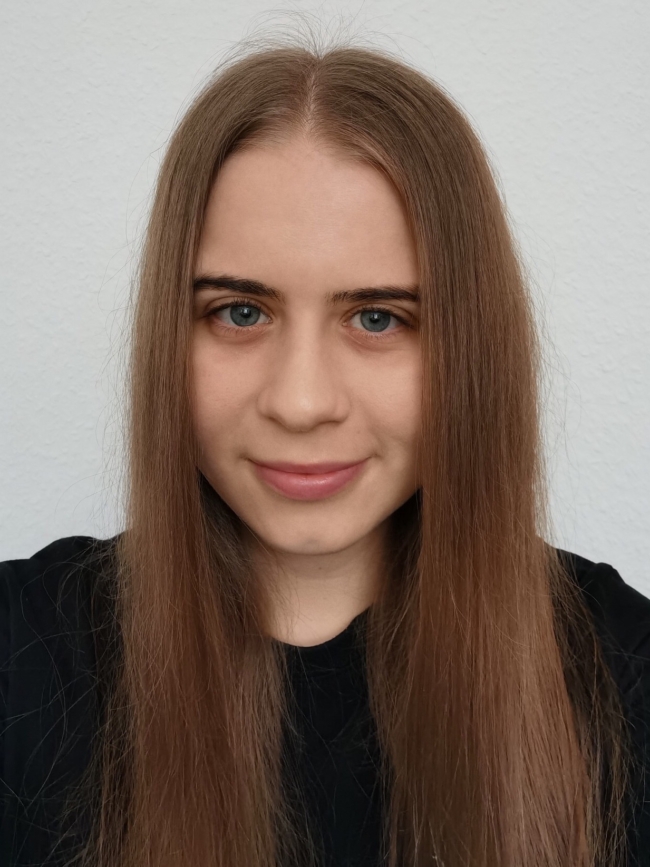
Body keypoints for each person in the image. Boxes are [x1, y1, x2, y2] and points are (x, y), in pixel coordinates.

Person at [1, 36, 649, 867]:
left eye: (378, 318)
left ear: (470, 348)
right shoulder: (21, 656)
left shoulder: (620, 672)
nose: (301, 402)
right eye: (240, 312)